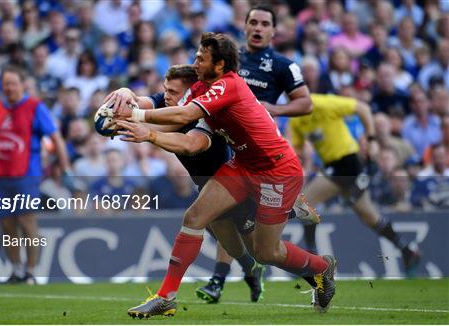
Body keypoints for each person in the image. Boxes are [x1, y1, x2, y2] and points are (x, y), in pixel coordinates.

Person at [114, 32, 336, 317]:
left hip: (276, 171)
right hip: (244, 165)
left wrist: (139, 121)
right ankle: (166, 297)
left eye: (200, 58)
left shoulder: (228, 85)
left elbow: (184, 122)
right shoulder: (199, 89)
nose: (194, 62)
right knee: (194, 218)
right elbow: (175, 119)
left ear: (219, 65)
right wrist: (132, 106)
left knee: (266, 253)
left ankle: (323, 268)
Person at [195, 4, 314, 304]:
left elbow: (305, 103)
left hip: (260, 147)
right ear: (244, 27)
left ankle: (220, 279)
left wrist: (275, 108)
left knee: (231, 216)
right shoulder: (227, 60)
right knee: (219, 215)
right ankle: (241, 270)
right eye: (254, 22)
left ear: (274, 31)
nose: (258, 28)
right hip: (225, 140)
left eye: (265, 24)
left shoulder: (283, 66)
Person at [289, 94, 421, 276]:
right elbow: (297, 147)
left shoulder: (325, 103)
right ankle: (407, 250)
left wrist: (371, 138)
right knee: (369, 217)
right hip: (333, 166)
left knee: (303, 203)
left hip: (348, 162)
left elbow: (363, 109)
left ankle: (314, 261)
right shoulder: (295, 119)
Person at [0, 66, 70, 284]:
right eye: (6, 83)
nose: (9, 87)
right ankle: (16, 269)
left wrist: (65, 168)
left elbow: (55, 138)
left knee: (27, 222)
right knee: (7, 225)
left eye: (13, 83)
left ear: (22, 85)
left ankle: (31, 271)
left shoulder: (34, 106)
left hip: (26, 175)